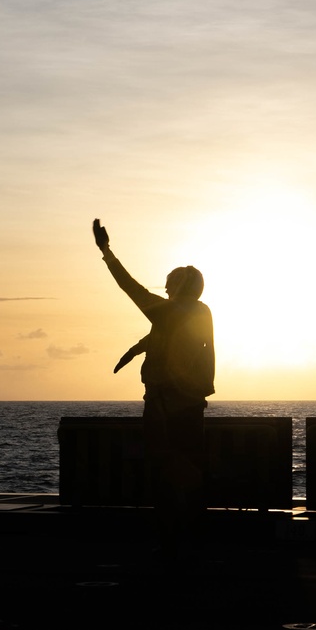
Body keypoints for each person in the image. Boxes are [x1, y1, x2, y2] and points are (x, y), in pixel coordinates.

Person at [92, 218, 215, 557]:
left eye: (169, 284)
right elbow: (175, 338)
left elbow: (130, 287)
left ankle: (171, 543)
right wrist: (136, 349)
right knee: (191, 472)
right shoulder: (201, 312)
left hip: (164, 406)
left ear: (179, 288)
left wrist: (106, 252)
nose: (163, 289)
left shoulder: (171, 311)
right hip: (192, 406)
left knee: (163, 474)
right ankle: (193, 540)